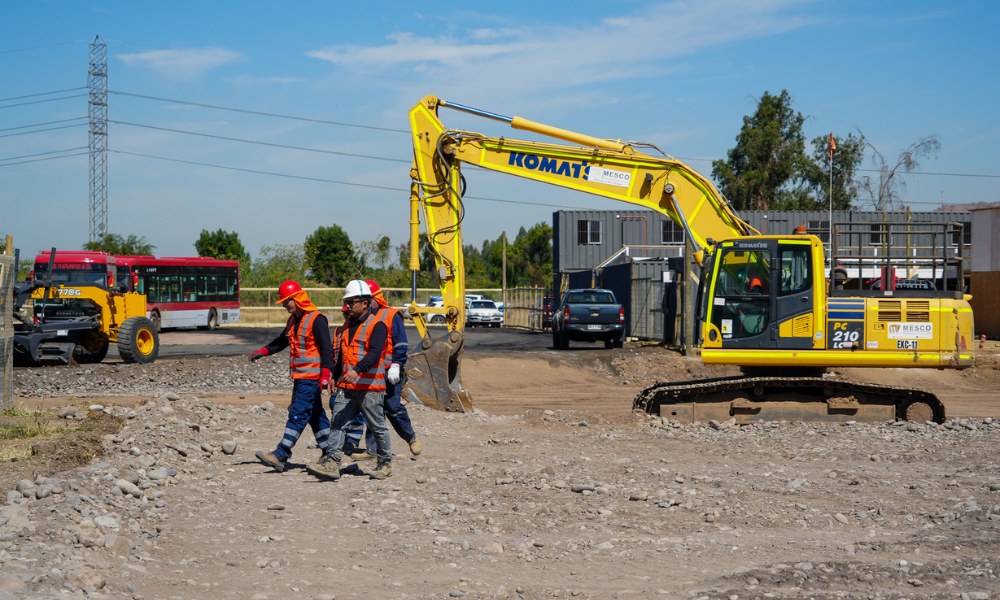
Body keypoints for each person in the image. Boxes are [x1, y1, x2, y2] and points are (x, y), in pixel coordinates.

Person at [307, 280, 393, 481]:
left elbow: (374, 353)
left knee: (377, 426)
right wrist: (334, 377)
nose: (347, 306)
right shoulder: (345, 327)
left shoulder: (377, 325)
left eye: (351, 302)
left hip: (370, 387)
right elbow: (342, 357)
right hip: (347, 387)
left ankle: (384, 463)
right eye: (346, 302)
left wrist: (357, 370)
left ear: (365, 303)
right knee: (338, 422)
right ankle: (332, 462)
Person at [250, 281, 334, 472]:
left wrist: (326, 374)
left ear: (297, 298)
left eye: (287, 301)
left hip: (311, 378)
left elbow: (327, 350)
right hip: (300, 377)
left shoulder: (316, 319)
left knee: (297, 413)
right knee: (315, 415)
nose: (283, 305)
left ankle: (281, 454)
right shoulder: (293, 320)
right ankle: (331, 452)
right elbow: (282, 341)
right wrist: (264, 351)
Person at [349, 280, 421, 461]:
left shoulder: (390, 315)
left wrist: (397, 364)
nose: (365, 303)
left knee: (392, 406)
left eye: (368, 299)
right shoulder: (362, 318)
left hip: (390, 371)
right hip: (372, 372)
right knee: (373, 409)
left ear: (376, 298)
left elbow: (401, 343)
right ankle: (373, 450)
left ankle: (410, 437)